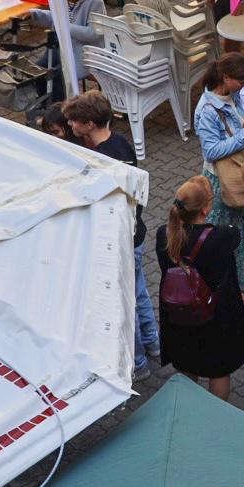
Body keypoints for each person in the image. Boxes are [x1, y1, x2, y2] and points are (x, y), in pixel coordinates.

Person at [63, 92, 156, 380]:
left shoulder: (105, 160)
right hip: (135, 234)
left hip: (119, 241)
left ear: (89, 124)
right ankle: (153, 342)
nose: (70, 126)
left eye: (74, 121)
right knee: (139, 292)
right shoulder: (121, 144)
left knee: (124, 303)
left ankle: (138, 364)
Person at [155, 176, 244, 398]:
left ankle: (191, 406)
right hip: (213, 316)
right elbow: (236, 235)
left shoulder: (164, 234)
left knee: (187, 364)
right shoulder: (222, 236)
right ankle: (216, 412)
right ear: (206, 209)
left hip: (179, 314)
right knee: (218, 371)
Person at [194, 54, 244, 295]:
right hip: (222, 178)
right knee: (227, 232)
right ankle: (234, 286)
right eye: (241, 81)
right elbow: (211, 151)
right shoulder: (207, 110)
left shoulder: (232, 96)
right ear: (226, 78)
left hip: (239, 170)